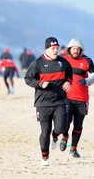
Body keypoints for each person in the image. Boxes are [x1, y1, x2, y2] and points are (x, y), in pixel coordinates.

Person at [25, 37, 72, 166]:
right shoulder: (38, 63)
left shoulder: (63, 62)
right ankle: (45, 157)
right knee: (45, 131)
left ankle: (55, 135)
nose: (55, 51)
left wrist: (69, 82)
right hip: (43, 103)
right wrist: (40, 83)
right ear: (46, 49)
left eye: (57, 48)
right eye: (53, 49)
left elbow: (69, 75)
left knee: (61, 128)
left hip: (60, 101)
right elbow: (28, 78)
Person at [61, 38, 94, 158]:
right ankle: (65, 136)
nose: (75, 51)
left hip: (82, 99)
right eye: (73, 49)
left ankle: (73, 149)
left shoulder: (87, 60)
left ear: (81, 50)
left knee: (78, 125)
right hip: (67, 97)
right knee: (65, 123)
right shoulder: (64, 59)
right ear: (69, 49)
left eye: (78, 49)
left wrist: (86, 81)